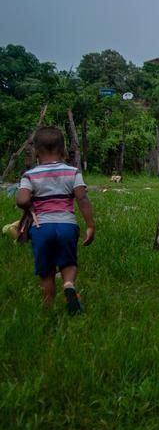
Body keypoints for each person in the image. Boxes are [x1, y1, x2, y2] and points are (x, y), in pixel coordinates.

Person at [16, 126, 95, 315]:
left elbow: (21, 200)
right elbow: (82, 198)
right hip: (67, 225)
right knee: (68, 263)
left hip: (41, 227)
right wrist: (90, 225)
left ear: (36, 151)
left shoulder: (30, 175)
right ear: (64, 150)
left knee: (46, 271)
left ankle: (47, 308)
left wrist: (29, 203)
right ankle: (68, 283)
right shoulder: (72, 172)